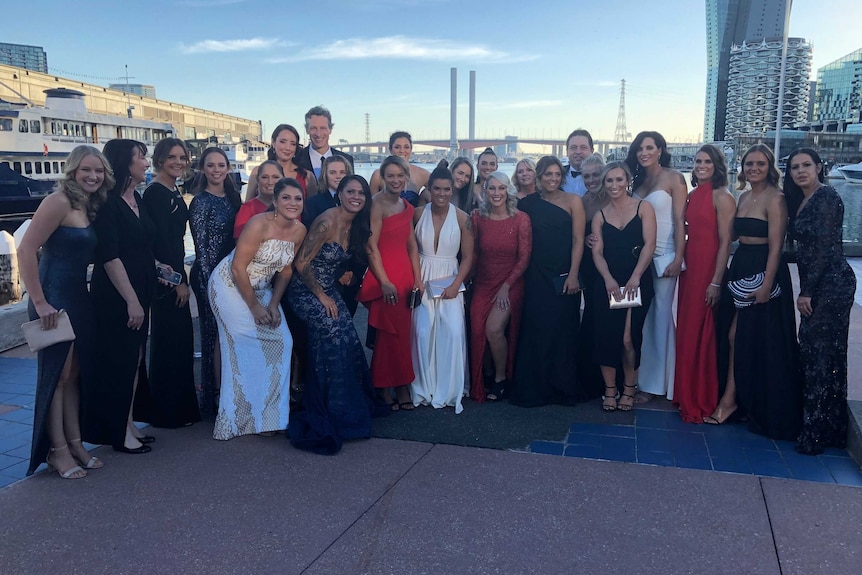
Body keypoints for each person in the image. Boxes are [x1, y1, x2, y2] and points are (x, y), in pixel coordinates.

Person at [19, 146, 112, 478]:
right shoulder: (57, 201)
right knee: (56, 376)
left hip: (77, 296)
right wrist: (40, 301)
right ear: (73, 170)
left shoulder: (88, 204)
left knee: (73, 374)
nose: (93, 176)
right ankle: (57, 451)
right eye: (86, 169)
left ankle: (75, 444)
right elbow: (26, 248)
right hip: (52, 298)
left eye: (99, 171)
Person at [288, 175, 389, 454]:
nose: (356, 197)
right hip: (305, 291)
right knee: (332, 334)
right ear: (340, 194)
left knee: (348, 338)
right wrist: (321, 295)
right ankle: (329, 410)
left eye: (361, 193)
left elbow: (363, 255)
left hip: (328, 290)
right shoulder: (326, 221)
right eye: (350, 192)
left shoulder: (356, 223)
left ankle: (347, 406)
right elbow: (301, 263)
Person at [711, 144, 801, 440]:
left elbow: (777, 246)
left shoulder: (776, 199)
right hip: (741, 266)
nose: (754, 168)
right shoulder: (744, 195)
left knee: (748, 337)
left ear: (770, 166)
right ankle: (737, 399)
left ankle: (731, 400)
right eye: (749, 164)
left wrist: (766, 285)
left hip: (764, 269)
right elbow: (729, 234)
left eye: (760, 164)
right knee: (732, 334)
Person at [210, 178, 307, 440]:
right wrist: (254, 306)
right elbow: (237, 268)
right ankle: (239, 418)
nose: (292, 203)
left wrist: (273, 305)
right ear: (275, 200)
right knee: (241, 347)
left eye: (297, 199)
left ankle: (269, 417)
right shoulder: (258, 224)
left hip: (263, 287)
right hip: (230, 286)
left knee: (282, 342)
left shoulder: (300, 231)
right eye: (286, 197)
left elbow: (285, 270)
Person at [84, 139, 159, 453]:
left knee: (135, 359)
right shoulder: (109, 204)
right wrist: (131, 300)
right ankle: (119, 433)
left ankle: (127, 423)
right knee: (122, 362)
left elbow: (138, 248)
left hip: (140, 289)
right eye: (141, 157)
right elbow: (110, 257)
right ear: (126, 164)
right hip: (119, 296)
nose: (146, 162)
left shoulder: (137, 200)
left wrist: (160, 268)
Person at [785, 148, 856, 455]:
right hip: (822, 284)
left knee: (820, 356)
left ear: (818, 167)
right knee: (820, 356)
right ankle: (827, 427)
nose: (800, 171)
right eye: (794, 167)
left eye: (806, 166)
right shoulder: (803, 199)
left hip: (832, 284)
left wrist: (806, 291)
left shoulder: (826, 198)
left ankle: (815, 433)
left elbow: (826, 249)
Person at [510, 156, 585, 407]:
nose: (552, 179)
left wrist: (574, 273)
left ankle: (562, 388)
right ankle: (536, 387)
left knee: (564, 330)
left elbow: (578, 240)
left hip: (565, 275)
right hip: (536, 275)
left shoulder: (574, 201)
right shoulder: (528, 204)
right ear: (538, 177)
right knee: (537, 328)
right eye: (547, 175)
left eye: (556, 175)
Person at [141, 138, 201, 428]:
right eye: (172, 157)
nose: (178, 162)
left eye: (182, 157)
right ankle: (168, 412)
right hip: (169, 278)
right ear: (160, 159)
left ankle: (179, 408)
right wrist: (178, 281)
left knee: (179, 342)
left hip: (175, 269)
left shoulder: (171, 188)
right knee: (169, 341)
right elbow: (161, 242)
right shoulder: (155, 193)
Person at [625, 131, 687, 403]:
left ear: (660, 149)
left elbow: (680, 220)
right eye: (640, 148)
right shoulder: (636, 179)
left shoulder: (674, 178)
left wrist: (677, 258)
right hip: (638, 255)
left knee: (660, 316)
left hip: (665, 255)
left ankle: (656, 385)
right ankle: (638, 376)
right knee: (640, 317)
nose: (644, 152)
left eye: (649, 147)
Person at [674, 145, 735, 423]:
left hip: (707, 271)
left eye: (707, 161)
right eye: (698, 161)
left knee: (703, 331)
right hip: (690, 270)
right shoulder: (692, 194)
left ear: (717, 165)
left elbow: (726, 243)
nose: (701, 165)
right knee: (687, 329)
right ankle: (685, 393)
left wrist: (716, 281)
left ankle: (701, 397)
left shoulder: (722, 197)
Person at [357, 155, 423, 410]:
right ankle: (385, 387)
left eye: (400, 175)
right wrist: (383, 281)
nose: (396, 180)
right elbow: (370, 246)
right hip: (385, 277)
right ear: (383, 178)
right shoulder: (376, 205)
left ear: (406, 177)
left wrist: (417, 279)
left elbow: (412, 247)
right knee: (387, 336)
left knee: (403, 336)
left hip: (405, 277)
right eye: (390, 175)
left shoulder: (406, 206)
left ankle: (402, 383)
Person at [591, 162, 657, 412]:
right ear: (604, 183)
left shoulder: (643, 207)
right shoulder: (600, 215)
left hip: (636, 279)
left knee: (629, 338)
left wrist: (636, 276)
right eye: (610, 181)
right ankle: (610, 390)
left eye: (619, 180)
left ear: (627, 181)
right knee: (606, 337)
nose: (615, 185)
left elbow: (649, 245)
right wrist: (608, 279)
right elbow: (597, 253)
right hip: (608, 281)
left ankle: (630, 388)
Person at [409, 163, 474, 413]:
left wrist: (457, 285)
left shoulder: (462, 218)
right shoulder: (416, 214)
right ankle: (423, 386)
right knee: (422, 332)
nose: (442, 193)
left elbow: (468, 256)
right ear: (429, 188)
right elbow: (410, 248)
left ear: (452, 190)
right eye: (437, 188)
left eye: (447, 189)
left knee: (454, 331)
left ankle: (450, 388)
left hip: (450, 276)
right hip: (422, 275)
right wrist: (416, 279)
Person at [469, 171, 531, 402]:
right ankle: (483, 373)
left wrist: (506, 286)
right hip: (483, 283)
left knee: (493, 329)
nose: (497, 193)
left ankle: (500, 378)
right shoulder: (477, 218)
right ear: (485, 191)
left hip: (510, 282)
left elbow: (524, 258)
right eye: (492, 188)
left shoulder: (520, 219)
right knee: (476, 329)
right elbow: (472, 254)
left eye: (501, 188)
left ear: (508, 191)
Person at [189, 146, 241, 417]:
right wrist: (213, 286)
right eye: (211, 165)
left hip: (231, 274)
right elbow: (201, 249)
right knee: (212, 334)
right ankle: (211, 399)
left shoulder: (233, 198)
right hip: (209, 276)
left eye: (221, 165)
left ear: (228, 168)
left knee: (227, 334)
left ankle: (230, 391)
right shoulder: (200, 202)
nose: (217, 170)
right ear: (203, 169)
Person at [578, 153, 608, 401]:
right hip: (589, 267)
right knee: (591, 318)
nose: (591, 180)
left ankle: (614, 379)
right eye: (586, 176)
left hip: (614, 265)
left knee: (612, 322)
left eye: (596, 174)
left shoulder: (615, 196)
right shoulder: (583, 201)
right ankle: (591, 379)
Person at [244, 124, 317, 201]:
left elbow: (313, 209)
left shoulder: (307, 176)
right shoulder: (257, 172)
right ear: (273, 142)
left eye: (293, 144)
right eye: (283, 142)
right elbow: (248, 205)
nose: (288, 148)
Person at [293, 106, 354, 178]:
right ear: (307, 130)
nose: (318, 134)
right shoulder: (296, 159)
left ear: (330, 129)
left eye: (323, 128)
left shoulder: (347, 160)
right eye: (313, 128)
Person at [369, 131, 431, 203]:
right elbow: (371, 205)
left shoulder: (422, 174)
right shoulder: (378, 175)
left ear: (411, 149)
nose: (402, 151)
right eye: (397, 147)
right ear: (390, 149)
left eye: (406, 147)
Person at [234, 160, 284, 238]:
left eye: (275, 177)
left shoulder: (289, 207)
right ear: (258, 180)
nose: (270, 182)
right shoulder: (247, 209)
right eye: (265, 177)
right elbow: (240, 242)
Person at [562, 129, 594, 196]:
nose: (578, 152)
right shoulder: (557, 175)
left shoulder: (602, 176)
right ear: (567, 152)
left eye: (583, 147)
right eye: (573, 147)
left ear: (592, 151)